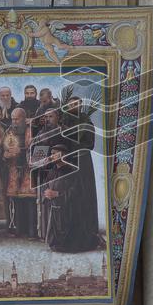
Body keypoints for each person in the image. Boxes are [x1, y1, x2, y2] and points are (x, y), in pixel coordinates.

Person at [41, 143, 101, 253]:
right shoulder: (51, 171)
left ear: (63, 155)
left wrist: (57, 194)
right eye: (51, 154)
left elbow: (76, 192)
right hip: (55, 211)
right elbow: (45, 186)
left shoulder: (72, 171)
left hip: (69, 212)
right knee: (53, 243)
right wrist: (47, 194)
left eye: (54, 154)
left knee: (71, 245)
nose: (51, 156)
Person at [61, 95, 101, 245]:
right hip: (67, 160)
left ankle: (88, 229)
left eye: (76, 104)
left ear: (80, 105)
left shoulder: (85, 121)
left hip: (82, 161)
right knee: (68, 193)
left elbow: (89, 144)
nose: (73, 107)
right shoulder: (63, 120)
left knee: (84, 193)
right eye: (70, 105)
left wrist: (69, 136)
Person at [3, 108, 37, 239]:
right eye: (12, 119)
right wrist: (6, 154)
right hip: (14, 169)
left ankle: (32, 231)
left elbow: (39, 147)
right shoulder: (9, 131)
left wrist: (22, 150)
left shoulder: (33, 129)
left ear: (24, 118)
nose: (14, 122)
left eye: (17, 119)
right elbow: (4, 150)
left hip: (29, 169)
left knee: (29, 199)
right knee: (15, 199)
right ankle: (17, 229)